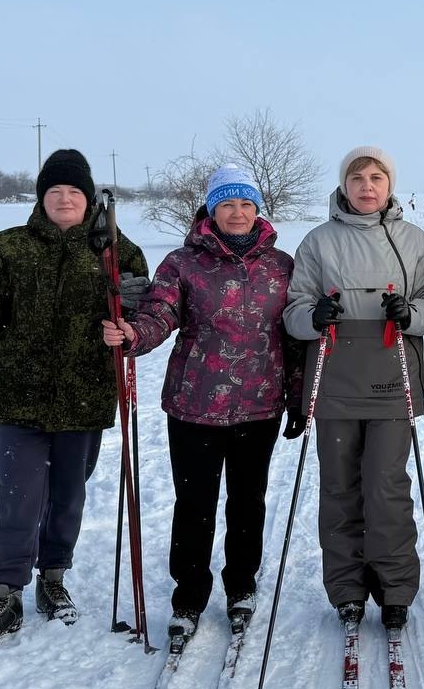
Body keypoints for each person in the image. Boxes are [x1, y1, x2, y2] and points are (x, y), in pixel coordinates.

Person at [0, 149, 148, 645]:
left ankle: (53, 578)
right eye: (54, 191)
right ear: (42, 197)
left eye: (74, 191)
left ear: (89, 199)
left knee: (68, 498)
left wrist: (135, 303)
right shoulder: (9, 246)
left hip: (85, 397)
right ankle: (7, 593)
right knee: (17, 498)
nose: (64, 199)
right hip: (19, 397)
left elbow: (139, 315)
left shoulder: (115, 251)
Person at [102, 165, 301, 648]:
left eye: (246, 204)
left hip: (259, 405)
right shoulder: (182, 263)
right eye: (227, 204)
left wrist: (297, 396)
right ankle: (189, 596)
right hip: (194, 405)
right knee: (194, 504)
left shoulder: (282, 265)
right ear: (211, 210)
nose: (238, 212)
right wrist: (133, 334)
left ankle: (241, 586)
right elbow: (160, 312)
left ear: (257, 210)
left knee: (248, 501)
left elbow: (294, 335)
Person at [282, 146, 424, 630]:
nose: (367, 186)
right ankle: (347, 588)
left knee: (386, 486)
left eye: (376, 177)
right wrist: (313, 317)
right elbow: (293, 310)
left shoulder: (413, 240)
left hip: (391, 377)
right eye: (357, 178)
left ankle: (395, 588)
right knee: (339, 487)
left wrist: (411, 315)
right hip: (334, 378)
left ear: (390, 185)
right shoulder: (318, 241)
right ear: (344, 186)